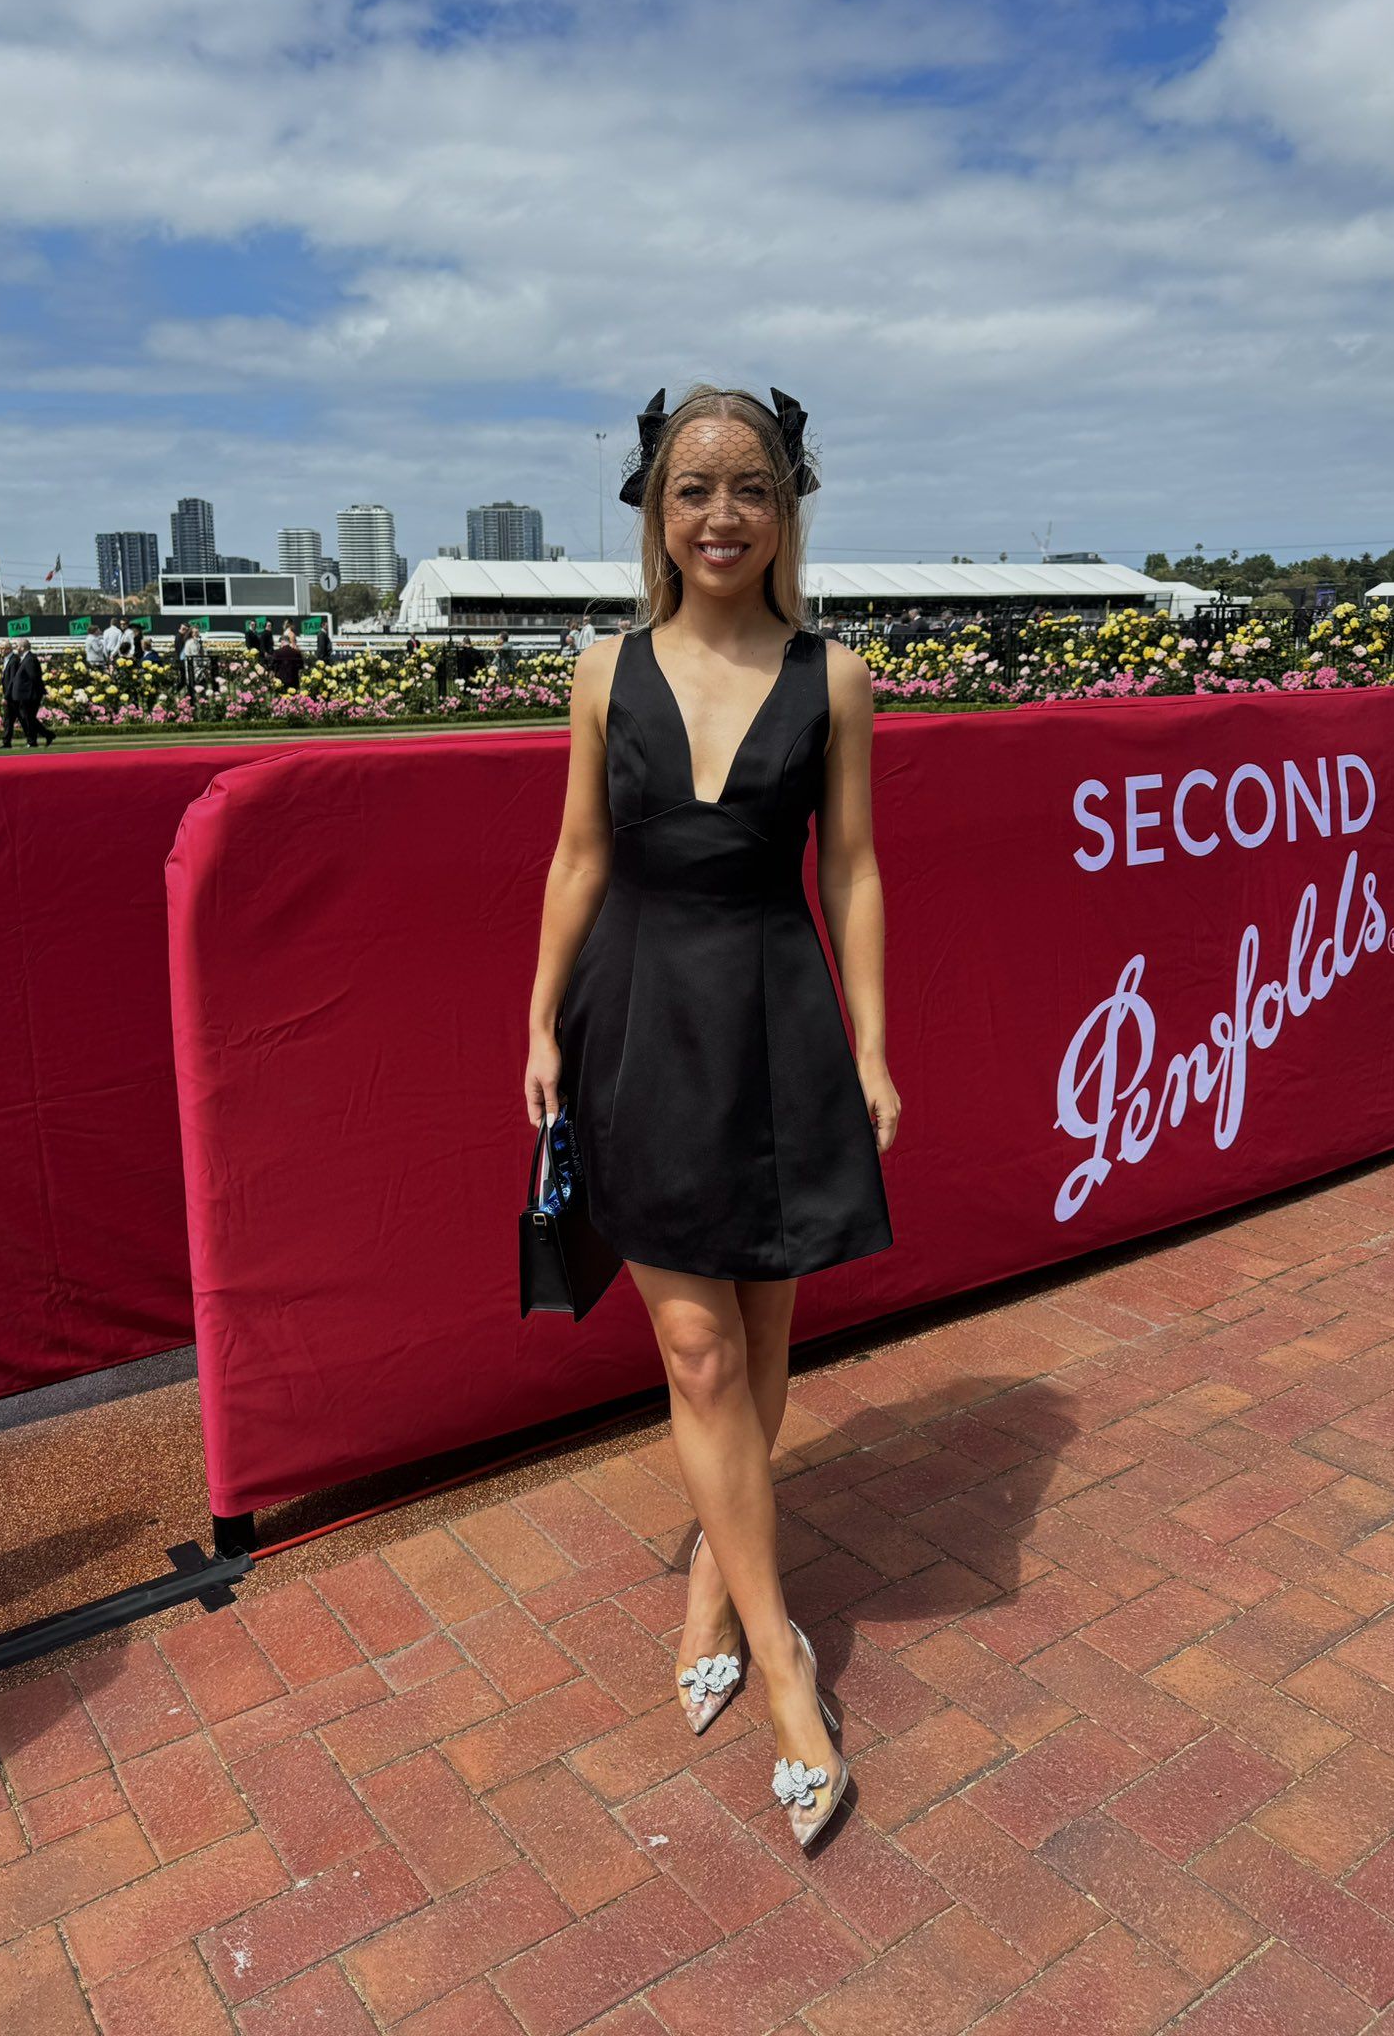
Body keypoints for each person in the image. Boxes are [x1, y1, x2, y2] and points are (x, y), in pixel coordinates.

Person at [524, 384, 899, 1851]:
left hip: (779, 1019)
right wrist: (535, 1020)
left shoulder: (836, 677)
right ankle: (785, 1662)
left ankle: (711, 1578)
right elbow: (577, 857)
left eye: (751, 486)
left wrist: (873, 1043)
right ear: (655, 509)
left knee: (760, 1331)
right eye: (694, 487)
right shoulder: (601, 672)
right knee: (694, 1346)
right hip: (635, 1024)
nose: (722, 514)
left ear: (788, 504)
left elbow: (852, 867)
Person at [1, 637, 55, 747]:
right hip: (24, 695)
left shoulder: (30, 659)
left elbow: (34, 678)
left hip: (29, 695)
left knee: (27, 718)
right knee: (28, 718)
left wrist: (40, 692)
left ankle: (38, 739)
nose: (16, 648)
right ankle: (44, 736)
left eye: (17, 646)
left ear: (22, 647)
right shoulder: (25, 658)